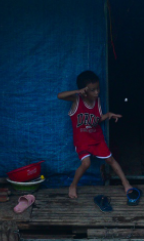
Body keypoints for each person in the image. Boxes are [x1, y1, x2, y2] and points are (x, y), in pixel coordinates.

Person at [57, 70, 133, 199]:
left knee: (110, 160)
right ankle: (73, 185)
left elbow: (96, 120)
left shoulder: (97, 102)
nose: (97, 92)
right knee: (86, 163)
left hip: (97, 139)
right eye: (93, 90)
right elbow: (60, 96)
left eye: (97, 89)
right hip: (82, 141)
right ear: (84, 90)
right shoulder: (77, 100)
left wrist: (108, 115)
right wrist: (78, 92)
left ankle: (126, 183)